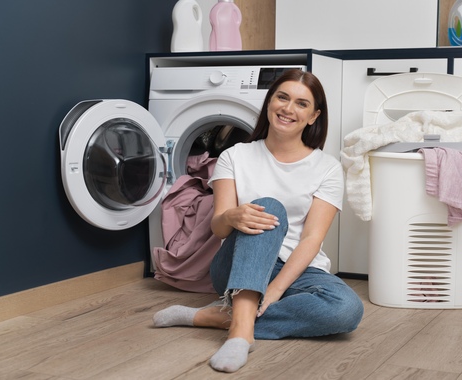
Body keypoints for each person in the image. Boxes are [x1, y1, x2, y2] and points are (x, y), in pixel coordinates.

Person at [152, 69, 364, 373]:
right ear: (269, 103)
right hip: (238, 264)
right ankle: (240, 334)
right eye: (282, 97)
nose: (288, 109)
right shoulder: (234, 156)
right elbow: (218, 228)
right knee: (268, 208)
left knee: (346, 311)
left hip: (296, 267)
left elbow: (312, 240)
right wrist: (232, 216)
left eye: (301, 104)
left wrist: (276, 289)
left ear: (314, 116)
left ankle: (214, 316)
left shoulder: (327, 168)